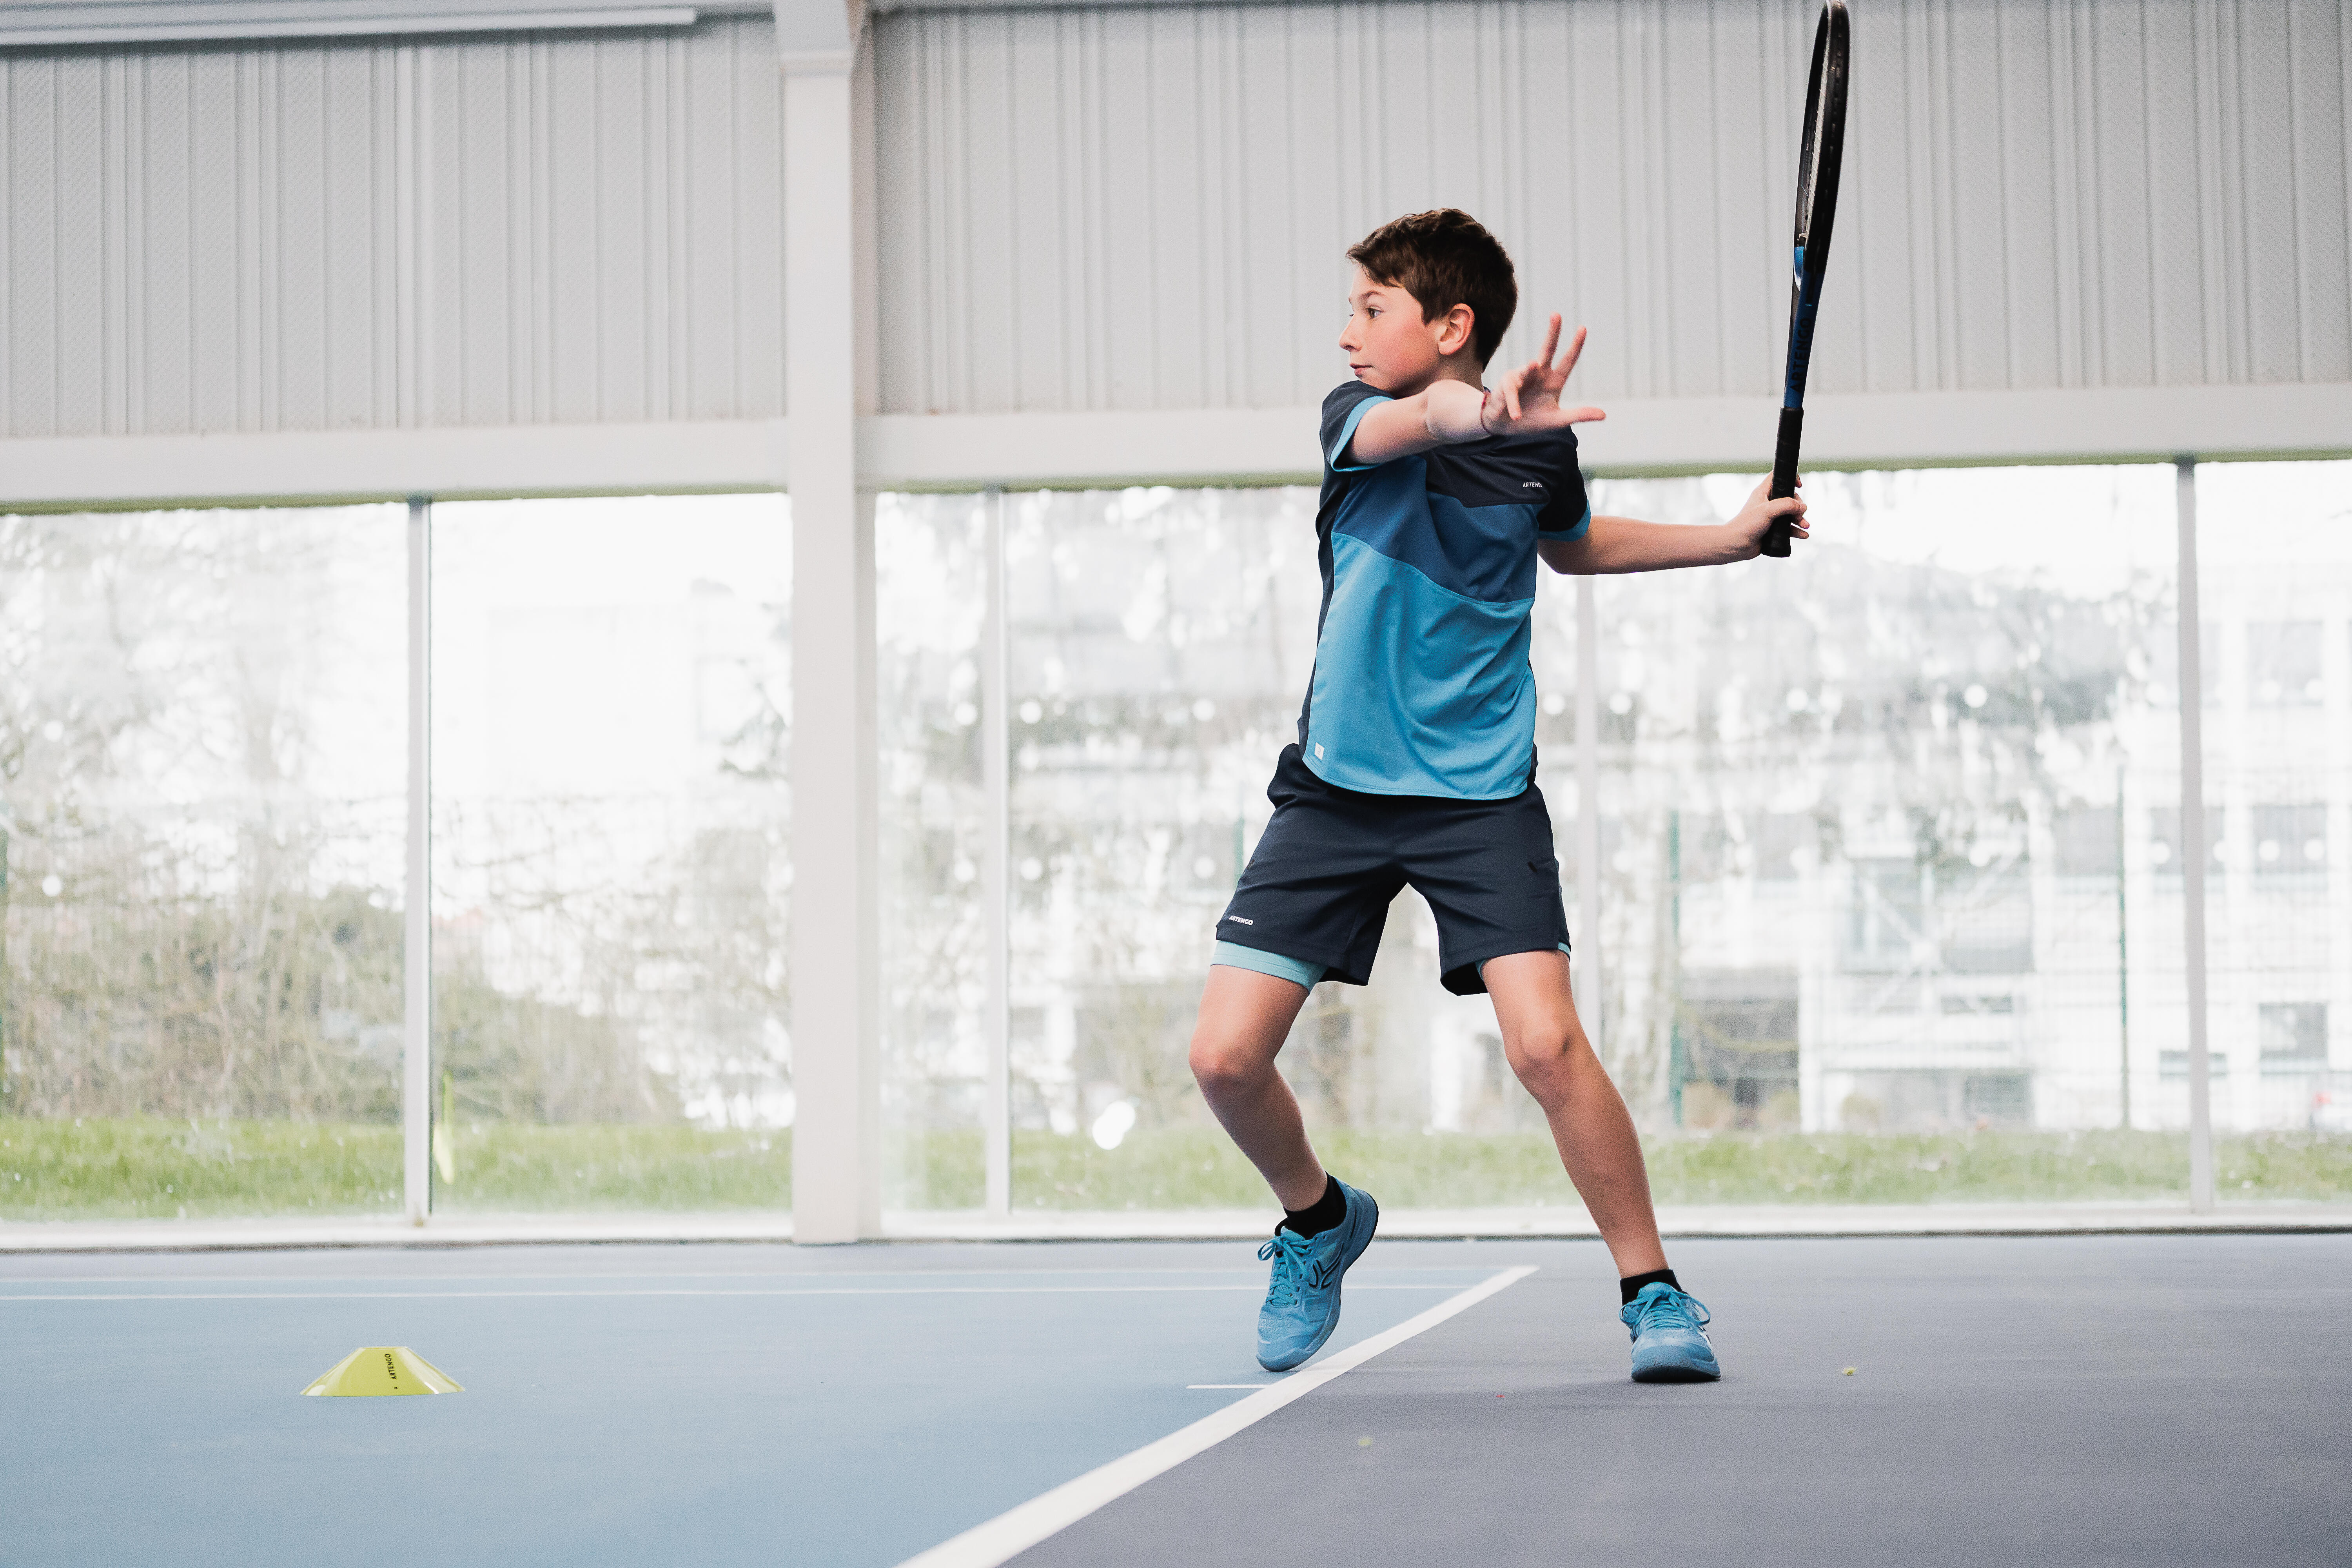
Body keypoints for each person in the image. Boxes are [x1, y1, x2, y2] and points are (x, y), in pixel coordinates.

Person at [1188, 209, 1808, 1382]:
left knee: (1545, 1046)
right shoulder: (1357, 422)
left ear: (1450, 321)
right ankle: (1319, 1221)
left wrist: (1729, 537)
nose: (1347, 332)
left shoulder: (1537, 450)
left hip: (1479, 797)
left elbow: (1573, 547)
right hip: (1336, 794)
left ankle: (1655, 1292)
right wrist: (1484, 409)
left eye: (1372, 308)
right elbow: (1421, 421)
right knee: (1223, 1060)